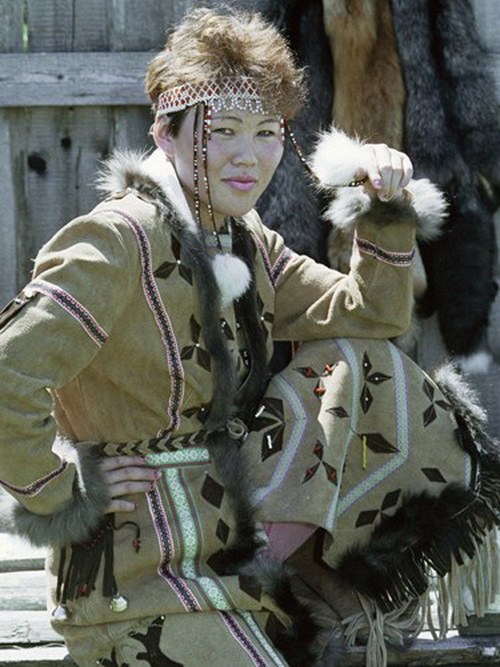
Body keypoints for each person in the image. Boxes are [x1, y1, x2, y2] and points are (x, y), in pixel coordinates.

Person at [0, 7, 499, 667]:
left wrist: (382, 208)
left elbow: (370, 317)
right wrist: (62, 492)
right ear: (166, 132)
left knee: (360, 362)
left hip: (230, 544)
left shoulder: (246, 240)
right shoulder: (115, 238)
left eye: (267, 132)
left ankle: (319, 591)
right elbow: (7, 370)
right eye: (223, 130)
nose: (248, 155)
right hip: (135, 574)